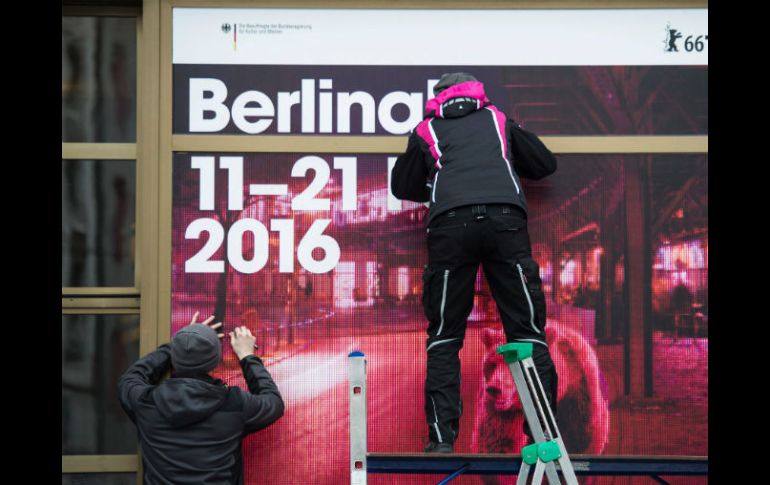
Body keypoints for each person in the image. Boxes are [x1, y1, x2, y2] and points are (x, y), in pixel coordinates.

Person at [391, 72, 559, 453]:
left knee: (445, 336)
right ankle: (544, 434)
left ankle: (441, 439)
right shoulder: (498, 120)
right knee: (528, 332)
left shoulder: (426, 130)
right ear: (476, 94)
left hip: (450, 228)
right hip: (505, 222)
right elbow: (544, 164)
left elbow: (401, 186)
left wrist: (440, 184)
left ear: (438, 98)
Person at [117, 312, 284, 483]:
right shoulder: (234, 403)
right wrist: (248, 357)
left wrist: (179, 345)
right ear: (215, 361)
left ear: (175, 357)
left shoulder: (146, 403)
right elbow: (273, 402)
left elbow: (131, 377)